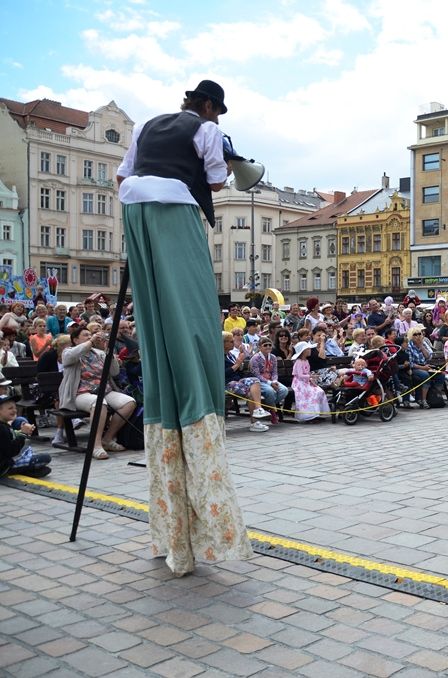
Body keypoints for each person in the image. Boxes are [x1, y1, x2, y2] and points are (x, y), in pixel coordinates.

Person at [116, 79, 252, 575]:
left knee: (158, 323)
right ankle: (206, 505)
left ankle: (173, 533)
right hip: (174, 210)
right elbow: (217, 182)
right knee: (195, 326)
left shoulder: (148, 126)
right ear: (210, 107)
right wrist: (228, 161)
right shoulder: (207, 130)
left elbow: (121, 175)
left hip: (135, 212)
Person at [59, 327, 137, 459]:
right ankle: (95, 445)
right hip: (80, 393)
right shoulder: (69, 351)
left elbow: (114, 372)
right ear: (75, 339)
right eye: (85, 335)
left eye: (91, 335)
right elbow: (70, 357)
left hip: (103, 391)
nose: (90, 337)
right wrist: (90, 342)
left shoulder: (98, 353)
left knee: (129, 402)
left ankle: (107, 438)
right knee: (99, 403)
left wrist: (109, 351)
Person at [224, 332, 271, 432]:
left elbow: (238, 370)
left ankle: (258, 409)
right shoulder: (218, 356)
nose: (233, 343)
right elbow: (223, 373)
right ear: (224, 343)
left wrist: (241, 362)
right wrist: (237, 364)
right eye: (231, 341)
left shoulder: (230, 355)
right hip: (226, 383)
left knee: (254, 380)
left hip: (236, 380)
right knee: (250, 394)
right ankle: (254, 422)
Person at [0, 394, 51, 478]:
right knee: (46, 458)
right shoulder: (2, 428)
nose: (14, 410)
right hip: (4, 466)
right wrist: (23, 434)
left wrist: (22, 432)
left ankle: (30, 469)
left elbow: (9, 440)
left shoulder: (4, 425)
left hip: (5, 458)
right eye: (10, 408)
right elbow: (11, 451)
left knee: (26, 448)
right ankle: (26, 469)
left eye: (15, 408)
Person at [249, 337, 288, 425]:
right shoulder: (255, 358)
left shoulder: (273, 357)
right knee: (270, 391)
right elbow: (257, 375)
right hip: (259, 382)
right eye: (265, 345)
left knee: (284, 390)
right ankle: (273, 411)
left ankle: (267, 407)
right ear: (260, 347)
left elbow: (274, 372)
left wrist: (274, 381)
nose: (268, 347)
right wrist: (270, 383)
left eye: (270, 345)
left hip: (271, 380)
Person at [290, 340, 329, 422]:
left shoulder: (306, 361)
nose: (310, 351)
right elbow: (300, 375)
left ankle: (317, 413)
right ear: (303, 351)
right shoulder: (298, 362)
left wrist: (311, 379)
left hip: (307, 381)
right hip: (299, 383)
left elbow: (307, 373)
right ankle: (308, 415)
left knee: (319, 391)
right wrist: (310, 376)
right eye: (308, 349)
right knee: (310, 393)